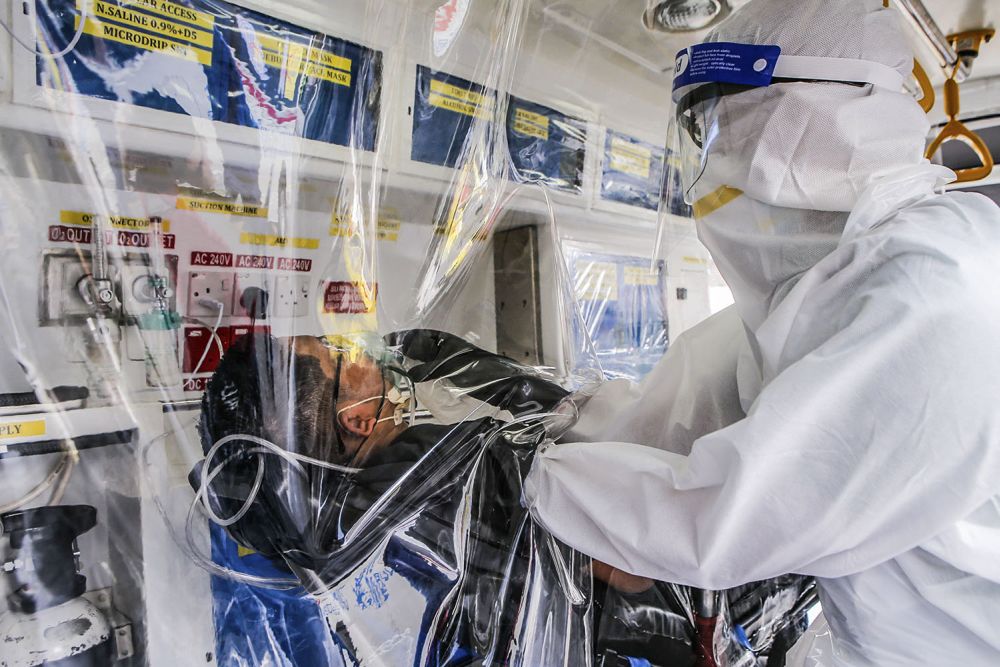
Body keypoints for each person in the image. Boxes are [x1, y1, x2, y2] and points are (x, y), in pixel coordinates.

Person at [523, 0, 1000, 665]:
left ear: (804, 116)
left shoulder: (935, 283)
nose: (711, 166)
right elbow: (669, 417)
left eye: (721, 126)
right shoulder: (819, 294)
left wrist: (522, 477)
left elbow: (728, 519)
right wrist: (505, 417)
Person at [195, 331, 707, 666]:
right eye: (342, 355)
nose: (361, 348)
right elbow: (638, 563)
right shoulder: (457, 470)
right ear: (358, 419)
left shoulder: (313, 539)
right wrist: (512, 388)